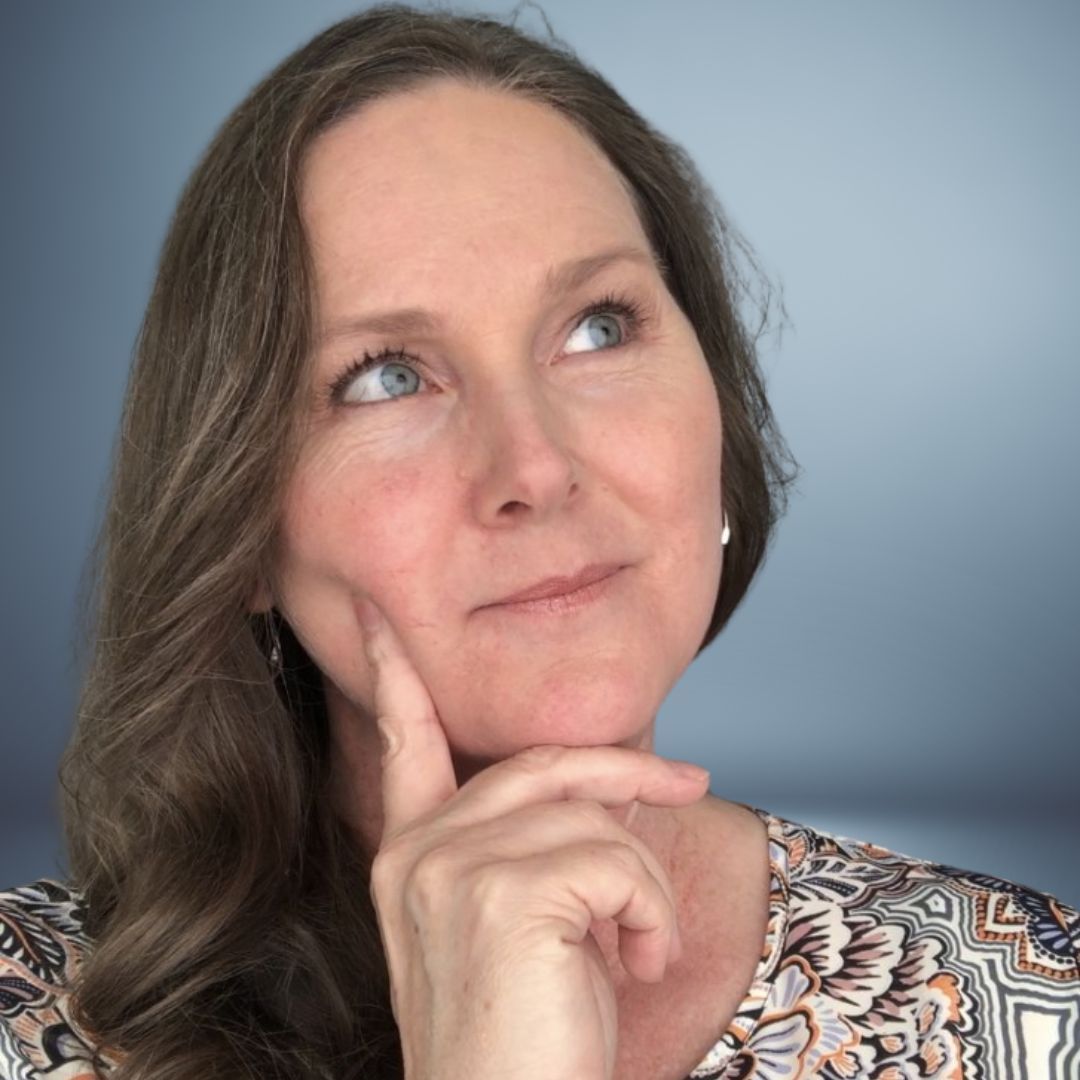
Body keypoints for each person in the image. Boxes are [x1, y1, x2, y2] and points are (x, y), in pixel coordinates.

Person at [1, 5, 1076, 1078]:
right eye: (387, 377)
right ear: (238, 529)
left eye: (598, 328)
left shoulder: (1029, 997)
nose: (535, 468)